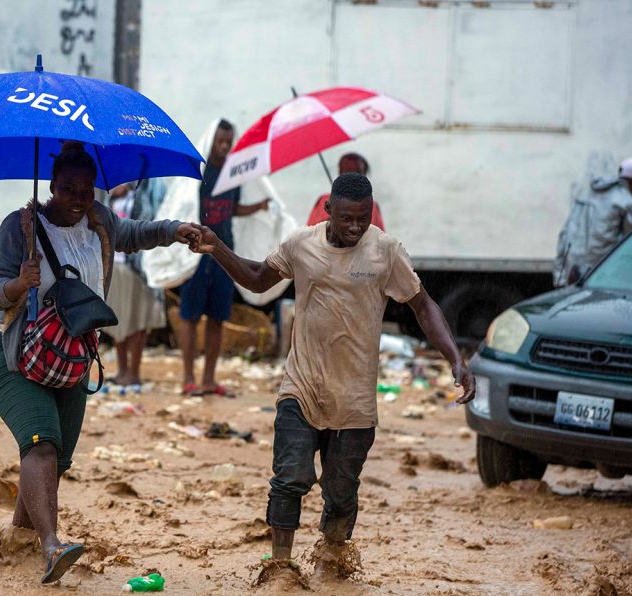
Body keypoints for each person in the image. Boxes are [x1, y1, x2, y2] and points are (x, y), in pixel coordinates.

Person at [188, 172, 474, 574]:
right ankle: (280, 569)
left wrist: (455, 358)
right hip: (302, 388)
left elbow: (423, 306)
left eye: (363, 218)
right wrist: (217, 248)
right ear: (328, 211)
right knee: (290, 478)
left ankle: (332, 561)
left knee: (340, 494)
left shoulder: (386, 252)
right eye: (346, 219)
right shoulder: (301, 244)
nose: (356, 227)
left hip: (354, 400)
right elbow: (255, 280)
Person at [0, 142, 203, 584]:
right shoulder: (20, 227)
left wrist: (177, 229)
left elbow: (138, 233)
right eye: (68, 189)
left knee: (56, 457)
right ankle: (50, 547)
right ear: (52, 186)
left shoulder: (100, 223)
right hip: (16, 352)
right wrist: (17, 285)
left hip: (73, 356)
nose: (78, 199)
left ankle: (17, 545)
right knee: (40, 442)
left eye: (86, 190)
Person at [179, 119, 269, 396]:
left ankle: (208, 379)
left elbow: (233, 208)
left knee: (218, 316)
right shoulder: (198, 172)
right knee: (190, 316)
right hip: (196, 252)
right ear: (212, 140)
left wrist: (261, 205)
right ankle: (188, 378)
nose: (225, 146)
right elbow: (184, 202)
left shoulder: (233, 175)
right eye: (220, 141)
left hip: (224, 252)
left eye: (229, 142)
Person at [106, 178, 169, 387]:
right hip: (116, 263)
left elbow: (153, 219)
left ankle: (134, 372)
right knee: (118, 318)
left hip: (140, 265)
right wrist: (114, 194)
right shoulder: (114, 187)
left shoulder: (153, 188)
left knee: (138, 319)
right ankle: (122, 370)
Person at [553, 157, 632, 287]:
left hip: (571, 272)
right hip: (599, 276)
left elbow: (565, 235)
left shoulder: (585, 196)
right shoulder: (629, 204)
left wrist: (559, 276)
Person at [306, 152, 385, 231]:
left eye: (357, 173)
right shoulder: (324, 201)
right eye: (346, 173)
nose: (351, 179)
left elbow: (381, 240)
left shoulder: (373, 207)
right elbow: (309, 234)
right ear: (340, 174)